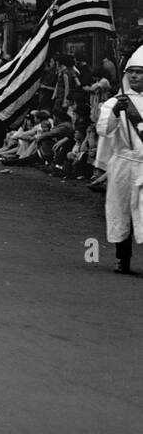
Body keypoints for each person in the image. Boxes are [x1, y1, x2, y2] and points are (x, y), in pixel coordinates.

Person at [96, 46, 143, 274]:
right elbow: (103, 130)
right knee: (119, 209)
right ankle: (122, 258)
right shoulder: (116, 101)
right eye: (131, 71)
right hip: (123, 162)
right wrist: (116, 111)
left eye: (140, 72)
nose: (134, 76)